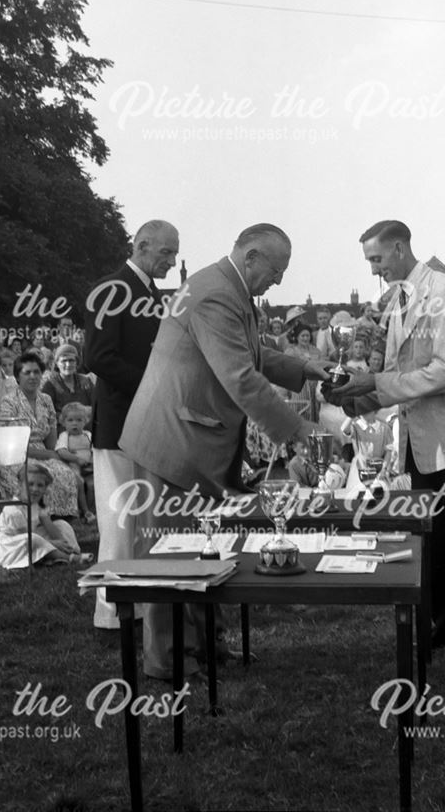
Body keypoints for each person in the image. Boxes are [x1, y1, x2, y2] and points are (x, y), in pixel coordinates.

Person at [120, 223, 328, 678]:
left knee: (208, 550)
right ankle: (167, 661)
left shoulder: (230, 288)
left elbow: (253, 355)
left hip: (193, 441)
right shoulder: (215, 293)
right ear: (252, 256)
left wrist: (308, 369)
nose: (278, 280)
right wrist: (298, 430)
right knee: (171, 554)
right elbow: (239, 377)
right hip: (172, 442)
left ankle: (207, 647)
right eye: (277, 269)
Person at [328, 220, 445, 661]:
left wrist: (374, 383)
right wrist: (358, 397)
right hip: (421, 443)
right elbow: (401, 374)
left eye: (376, 259)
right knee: (437, 544)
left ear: (398, 248)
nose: (374, 270)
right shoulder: (401, 300)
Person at [82, 219, 180, 632]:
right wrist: (153, 385)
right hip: (120, 423)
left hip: (148, 425)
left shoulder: (152, 294)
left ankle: (140, 609)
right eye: (166, 253)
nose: (172, 262)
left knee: (146, 520)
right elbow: (98, 358)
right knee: (120, 521)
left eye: (174, 254)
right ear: (141, 246)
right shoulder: (112, 290)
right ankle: (110, 618)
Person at [0, 351, 88, 519]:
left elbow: (51, 439)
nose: (33, 376)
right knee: (36, 475)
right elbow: (10, 444)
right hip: (14, 456)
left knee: (63, 473)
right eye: (27, 372)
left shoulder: (46, 400)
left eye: (36, 372)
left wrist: (56, 455)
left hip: (43, 453)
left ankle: (60, 520)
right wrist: (49, 455)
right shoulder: (9, 402)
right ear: (17, 377)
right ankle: (35, 520)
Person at [0, 463, 93, 569]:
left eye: (40, 485)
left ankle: (70, 551)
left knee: (61, 524)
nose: (35, 489)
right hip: (13, 547)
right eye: (30, 484)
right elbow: (24, 538)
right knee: (32, 538)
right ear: (20, 485)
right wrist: (54, 544)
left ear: (45, 488)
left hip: (33, 538)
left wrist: (62, 543)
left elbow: (49, 526)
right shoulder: (14, 510)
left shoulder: (38, 504)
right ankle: (70, 558)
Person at [55, 402, 95, 522]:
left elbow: (94, 451)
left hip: (89, 466)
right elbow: (62, 451)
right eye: (70, 420)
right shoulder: (64, 436)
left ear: (85, 421)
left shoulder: (88, 435)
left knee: (93, 484)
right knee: (79, 483)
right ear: (63, 422)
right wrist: (77, 459)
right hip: (73, 465)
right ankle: (84, 510)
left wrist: (91, 460)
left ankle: (92, 511)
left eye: (79, 420)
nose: (75, 423)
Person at [41, 343, 94, 424]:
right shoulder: (51, 384)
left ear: (77, 362)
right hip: (61, 432)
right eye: (64, 361)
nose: (68, 364)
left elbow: (97, 406)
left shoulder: (85, 381)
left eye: (71, 360)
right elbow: (45, 412)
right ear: (57, 364)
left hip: (86, 431)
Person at [284, 322, 321, 421]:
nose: (305, 338)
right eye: (303, 336)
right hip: (299, 388)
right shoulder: (291, 352)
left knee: (315, 414)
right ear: (296, 337)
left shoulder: (316, 351)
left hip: (314, 387)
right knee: (300, 412)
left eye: (307, 335)